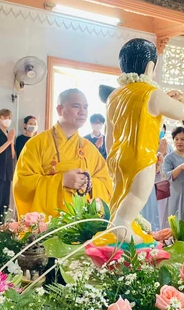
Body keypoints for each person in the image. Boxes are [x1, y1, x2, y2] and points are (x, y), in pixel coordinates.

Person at [105, 38, 184, 243]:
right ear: (150, 67)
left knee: (120, 194)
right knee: (136, 195)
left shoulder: (114, 95)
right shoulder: (152, 94)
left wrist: (111, 157)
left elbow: (110, 132)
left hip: (117, 155)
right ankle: (122, 225)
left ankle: (118, 224)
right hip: (140, 156)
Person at [13, 89, 112, 218]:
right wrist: (62, 180)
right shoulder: (36, 144)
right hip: (48, 224)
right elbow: (22, 184)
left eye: (85, 107)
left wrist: (89, 183)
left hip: (82, 224)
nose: (82, 112)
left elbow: (106, 184)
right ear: (60, 110)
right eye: (76, 106)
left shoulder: (90, 149)